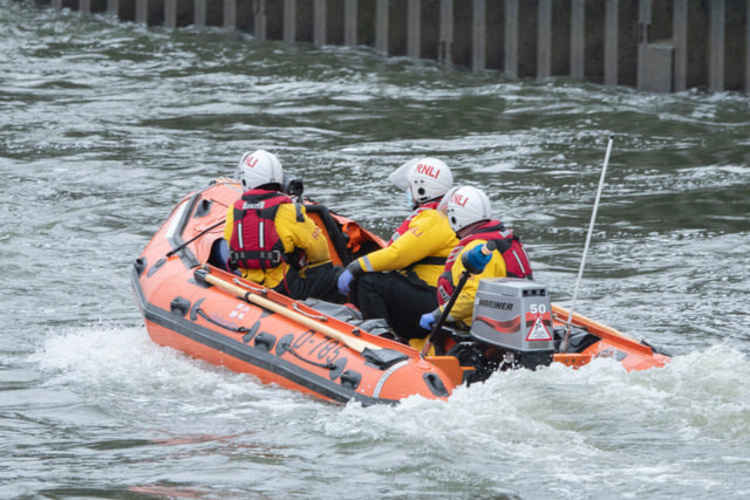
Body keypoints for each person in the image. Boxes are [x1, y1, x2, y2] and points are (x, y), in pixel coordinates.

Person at [336, 157, 458, 340]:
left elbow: (397, 255)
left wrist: (355, 267)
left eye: (410, 188)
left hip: (433, 298)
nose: (408, 193)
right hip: (435, 295)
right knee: (377, 276)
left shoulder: (433, 219)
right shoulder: (444, 215)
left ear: (421, 188)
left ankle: (380, 338)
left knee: (369, 281)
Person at [222, 149, 341, 302]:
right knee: (338, 275)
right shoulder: (289, 211)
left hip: (248, 283)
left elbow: (229, 241)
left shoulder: (234, 211)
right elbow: (319, 251)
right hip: (283, 288)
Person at [419, 185, 533, 332]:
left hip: (484, 328)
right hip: (509, 318)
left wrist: (437, 315)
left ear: (455, 216)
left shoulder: (477, 247)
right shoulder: (501, 239)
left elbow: (473, 297)